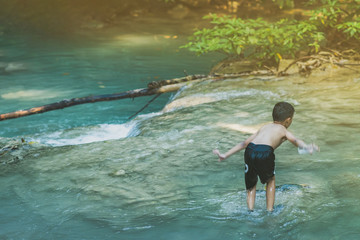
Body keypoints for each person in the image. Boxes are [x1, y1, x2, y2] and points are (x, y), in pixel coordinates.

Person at [213, 102, 319, 211]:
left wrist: (225, 155)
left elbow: (244, 143)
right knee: (270, 180)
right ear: (288, 120)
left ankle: (250, 210)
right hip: (265, 152)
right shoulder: (283, 130)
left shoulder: (264, 127)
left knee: (251, 185)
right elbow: (295, 141)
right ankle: (270, 210)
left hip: (250, 150)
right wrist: (306, 147)